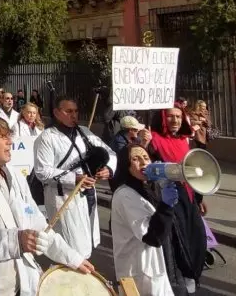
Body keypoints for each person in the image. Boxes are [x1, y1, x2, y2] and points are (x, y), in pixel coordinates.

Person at [0, 116, 94, 296]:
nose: (10, 142)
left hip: (21, 285)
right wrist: (16, 240)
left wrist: (73, 258)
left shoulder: (13, 176)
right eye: (2, 137)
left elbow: (38, 225)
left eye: (9, 135)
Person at [33, 96, 116, 262]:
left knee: (87, 243)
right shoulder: (47, 138)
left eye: (76, 111)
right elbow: (42, 171)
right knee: (71, 248)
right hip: (63, 197)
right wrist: (73, 178)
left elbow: (110, 153)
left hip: (88, 195)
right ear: (57, 113)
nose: (74, 115)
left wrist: (108, 169)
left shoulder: (85, 133)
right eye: (68, 111)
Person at [146, 104, 207, 295]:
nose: (175, 121)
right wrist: (143, 143)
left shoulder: (184, 140)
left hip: (189, 198)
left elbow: (193, 172)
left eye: (179, 117)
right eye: (171, 117)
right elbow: (146, 167)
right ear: (163, 119)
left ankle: (192, 274)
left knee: (196, 236)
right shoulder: (153, 140)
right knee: (178, 241)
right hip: (170, 198)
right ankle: (182, 278)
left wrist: (199, 198)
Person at [111, 145, 177, 296]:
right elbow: (152, 236)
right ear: (125, 166)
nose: (143, 162)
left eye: (146, 157)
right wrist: (166, 206)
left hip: (154, 265)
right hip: (139, 270)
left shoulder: (149, 188)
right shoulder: (125, 195)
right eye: (135, 159)